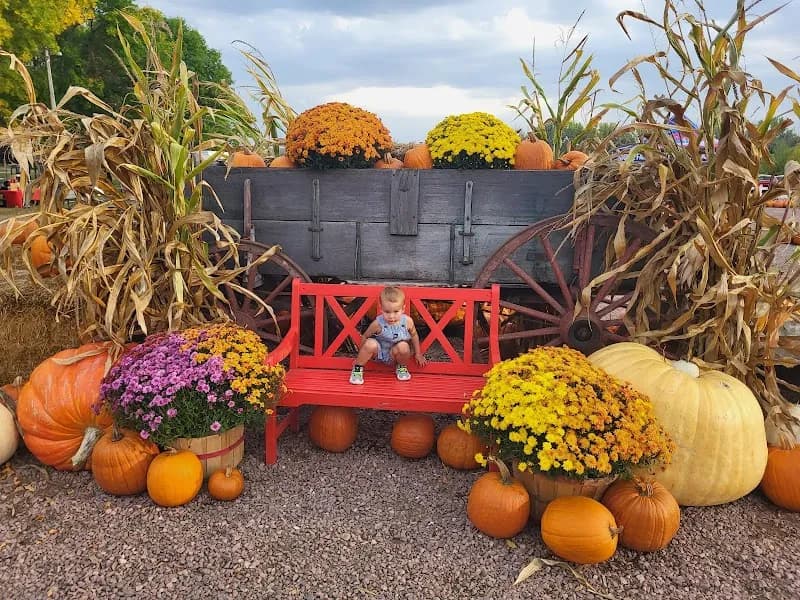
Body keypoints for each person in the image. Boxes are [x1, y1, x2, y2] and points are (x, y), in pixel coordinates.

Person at [349, 286, 427, 385]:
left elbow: (414, 335)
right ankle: (357, 368)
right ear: (381, 309)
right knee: (370, 343)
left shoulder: (407, 321)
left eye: (396, 311)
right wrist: (360, 356)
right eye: (387, 312)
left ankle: (401, 367)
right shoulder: (378, 323)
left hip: (394, 355)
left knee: (403, 345)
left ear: (403, 309)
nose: (391, 316)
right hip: (379, 353)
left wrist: (418, 354)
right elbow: (365, 336)